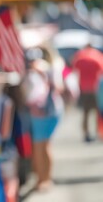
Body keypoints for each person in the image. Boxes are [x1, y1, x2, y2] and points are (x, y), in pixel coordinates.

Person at [22, 47, 64, 191]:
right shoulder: (51, 67)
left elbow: (28, 94)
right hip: (54, 109)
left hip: (39, 112)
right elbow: (60, 87)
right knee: (46, 145)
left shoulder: (31, 72)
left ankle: (42, 180)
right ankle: (46, 178)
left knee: (39, 147)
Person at [72, 43, 103, 142]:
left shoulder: (80, 56)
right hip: (95, 88)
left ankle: (86, 133)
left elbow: (74, 69)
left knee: (86, 112)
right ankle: (99, 132)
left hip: (83, 88)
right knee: (97, 112)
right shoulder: (97, 56)